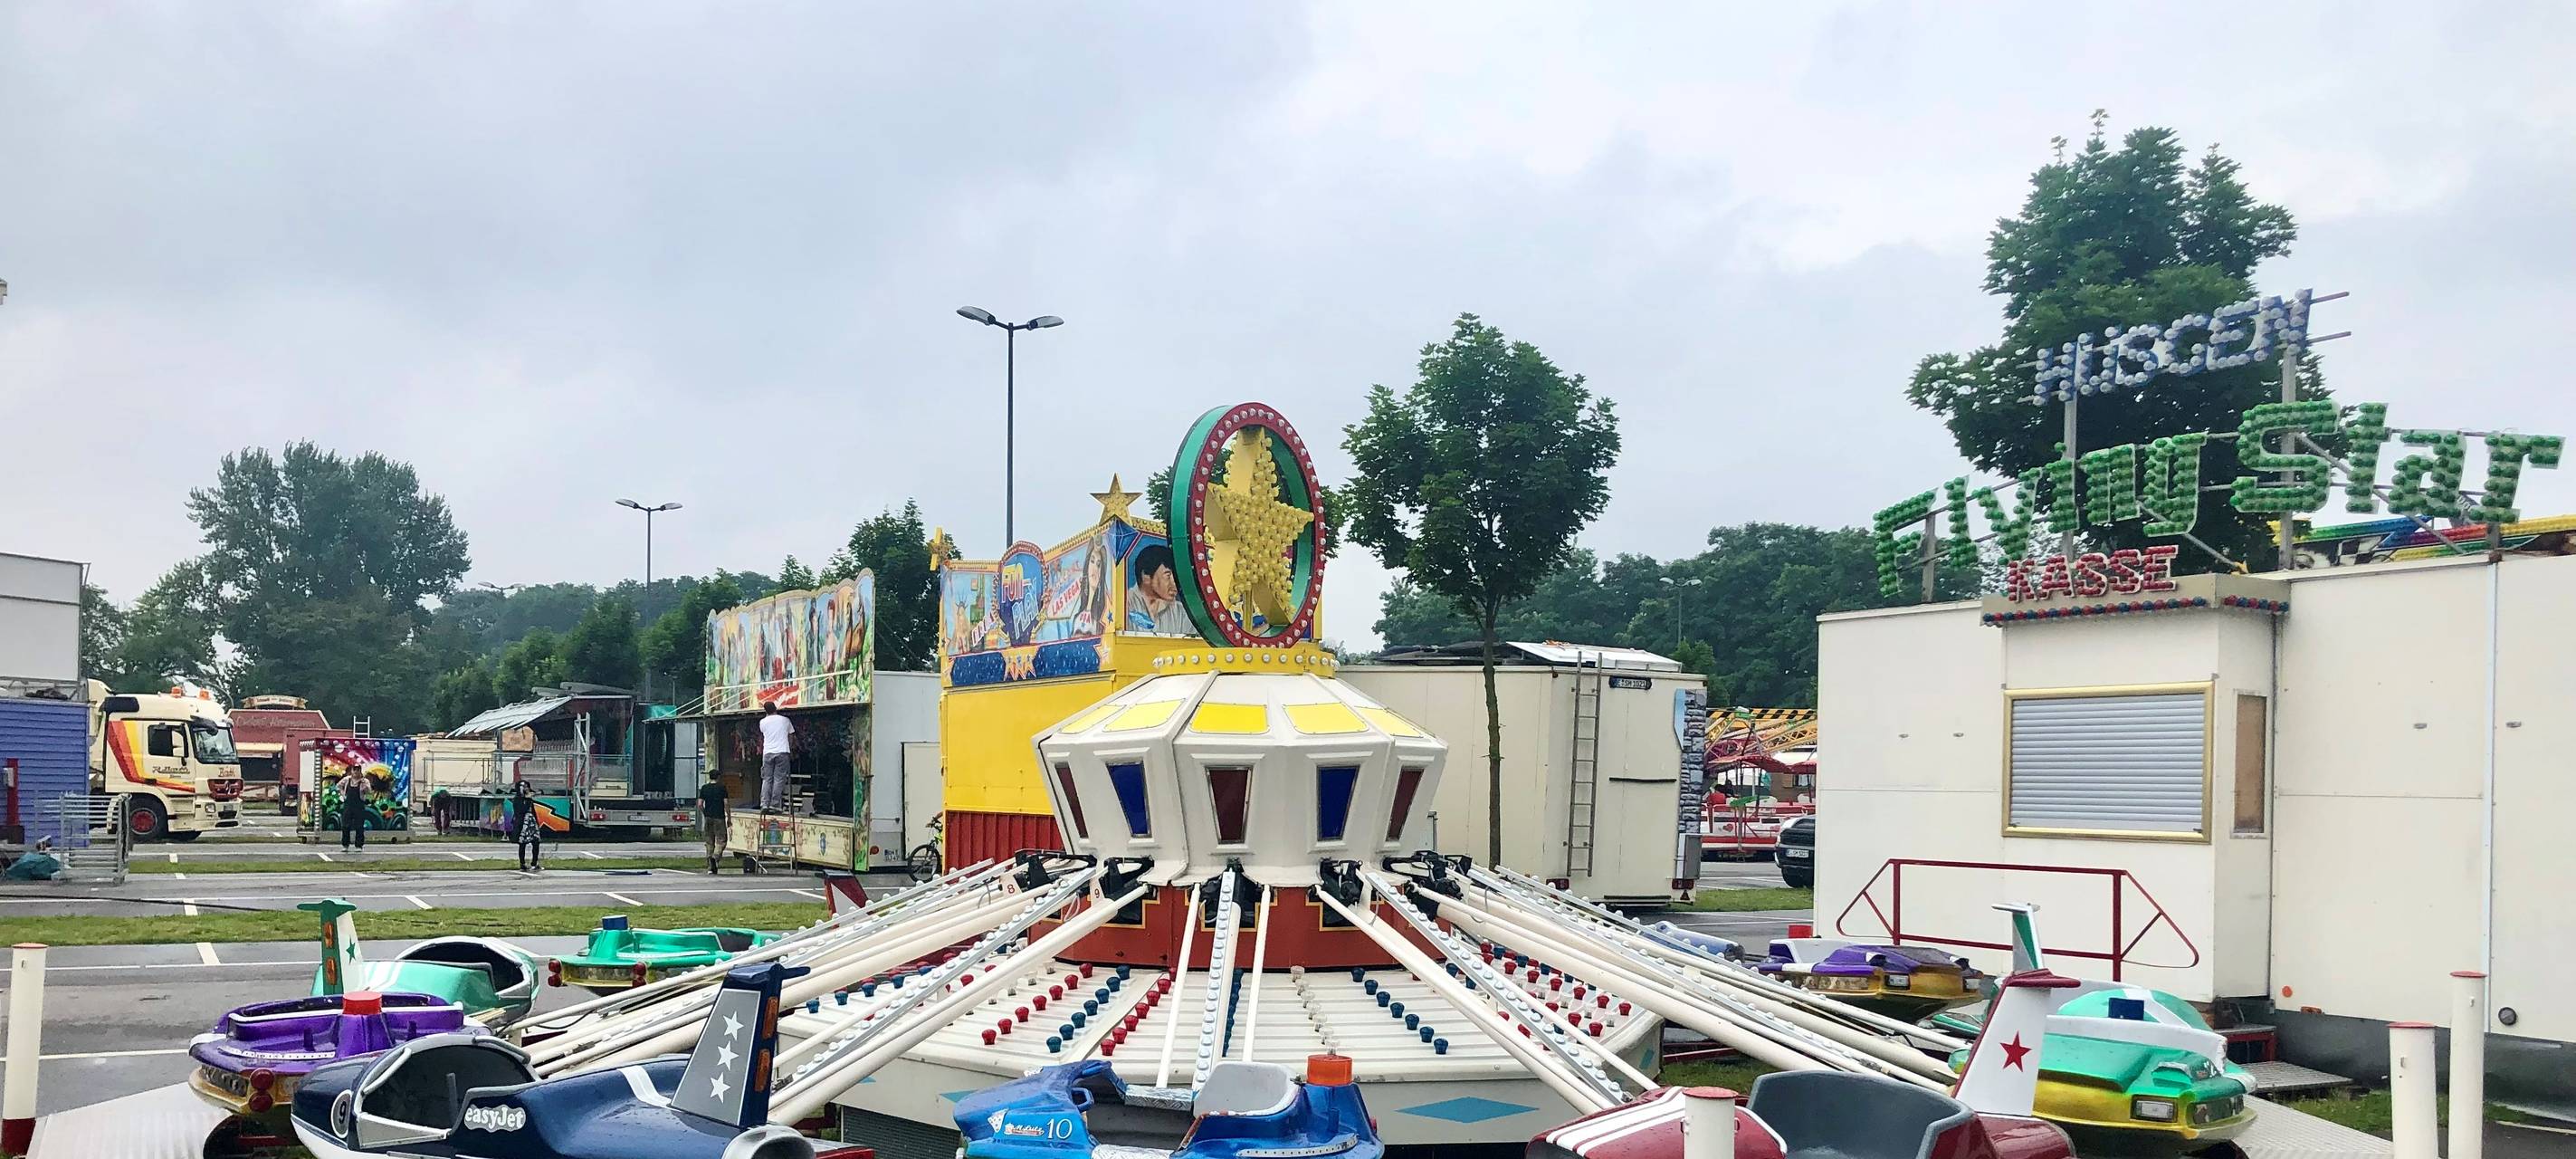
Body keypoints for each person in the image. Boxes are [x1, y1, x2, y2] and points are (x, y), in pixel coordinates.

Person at [1124, 544, 1194, 635]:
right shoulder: (1125, 605)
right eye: (1168, 576)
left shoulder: (1181, 612)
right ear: (1146, 576)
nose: (1176, 584)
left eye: (1176, 577)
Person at [758, 703, 795, 811]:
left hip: (767, 753)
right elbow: (791, 735)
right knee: (779, 779)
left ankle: (764, 803)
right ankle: (774, 804)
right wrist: (790, 748)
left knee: (767, 779)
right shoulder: (785, 720)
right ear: (776, 708)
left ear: (765, 711)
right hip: (782, 751)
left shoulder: (762, 722)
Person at [697, 778, 729, 874]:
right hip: (719, 817)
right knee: (721, 840)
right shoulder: (722, 788)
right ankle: (716, 856)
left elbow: (700, 804)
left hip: (708, 817)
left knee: (709, 841)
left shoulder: (704, 788)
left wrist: (705, 813)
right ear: (718, 777)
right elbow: (726, 803)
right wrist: (729, 817)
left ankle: (710, 867)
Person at [510, 781, 544, 872]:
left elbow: (532, 811)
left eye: (527, 787)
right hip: (522, 823)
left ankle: (534, 863)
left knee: (536, 842)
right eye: (524, 787)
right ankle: (522, 864)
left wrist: (536, 822)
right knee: (522, 844)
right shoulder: (517, 799)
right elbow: (522, 810)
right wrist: (528, 800)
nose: (527, 789)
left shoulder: (529, 799)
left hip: (531, 822)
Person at [338, 768, 371, 851]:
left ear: (360, 772)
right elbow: (338, 786)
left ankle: (359, 845)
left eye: (358, 770)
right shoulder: (347, 780)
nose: (356, 772)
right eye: (354, 770)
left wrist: (364, 786)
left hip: (359, 806)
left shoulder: (365, 781)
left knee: (359, 826)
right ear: (352, 771)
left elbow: (368, 791)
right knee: (345, 825)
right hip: (348, 805)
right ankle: (345, 845)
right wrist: (343, 795)